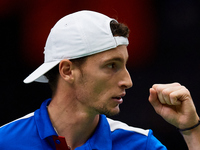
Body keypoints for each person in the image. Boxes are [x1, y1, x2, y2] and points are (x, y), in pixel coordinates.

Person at [0, 10, 199, 150]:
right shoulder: (5, 141)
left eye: (125, 65)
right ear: (68, 71)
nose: (128, 81)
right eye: (112, 65)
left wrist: (192, 130)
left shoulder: (141, 145)